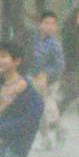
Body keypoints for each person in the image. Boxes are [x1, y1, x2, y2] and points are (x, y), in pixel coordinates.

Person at [29, 10, 65, 149]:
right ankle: (47, 137)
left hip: (49, 83)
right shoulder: (33, 40)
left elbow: (59, 65)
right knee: (38, 111)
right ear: (40, 25)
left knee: (48, 108)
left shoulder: (54, 45)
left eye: (53, 24)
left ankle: (58, 129)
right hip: (34, 79)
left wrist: (46, 76)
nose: (50, 26)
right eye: (46, 23)